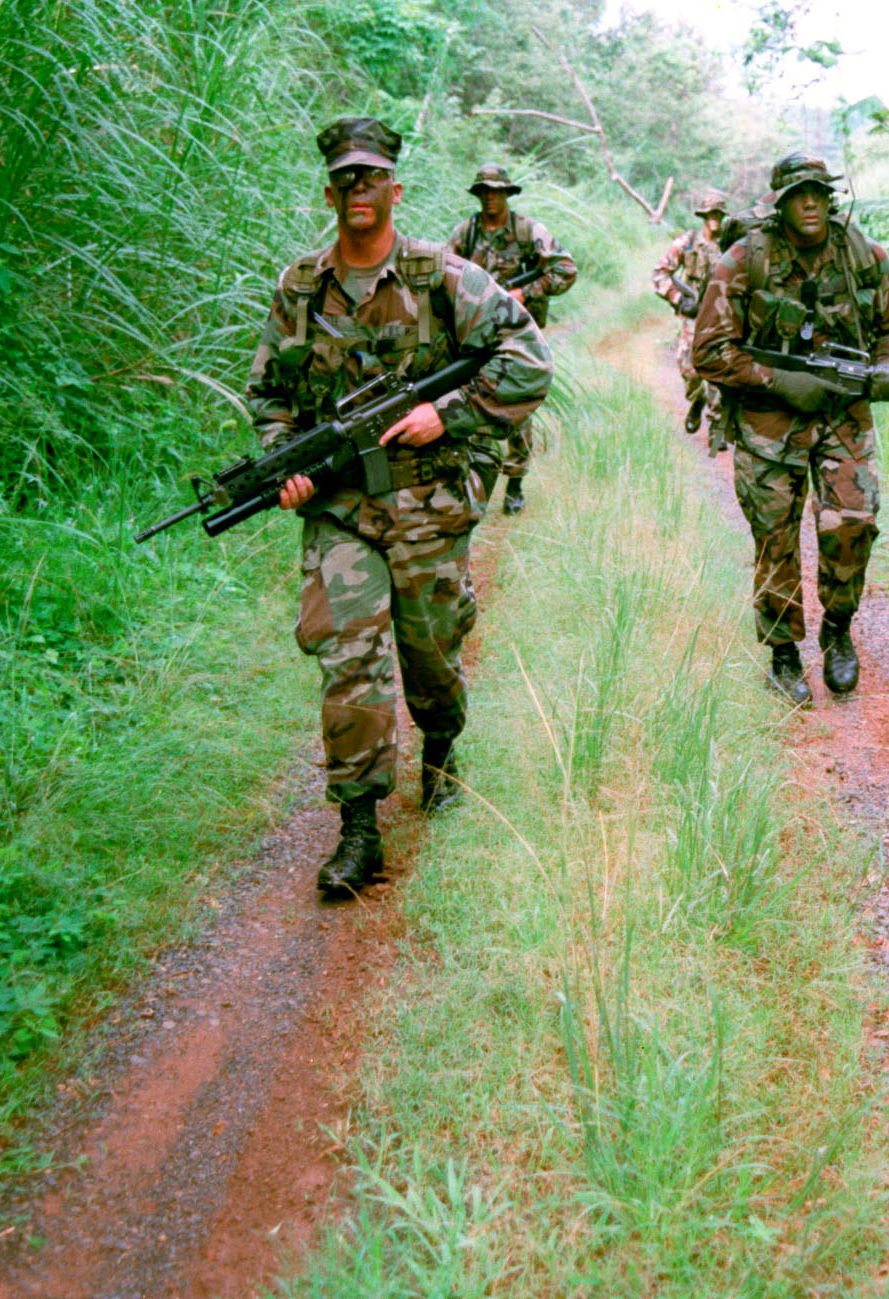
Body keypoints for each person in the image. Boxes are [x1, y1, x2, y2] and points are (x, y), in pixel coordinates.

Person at [247, 118, 553, 901]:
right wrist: (291, 462)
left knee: (432, 656)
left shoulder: (442, 277)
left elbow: (527, 360)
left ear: (395, 189)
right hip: (343, 509)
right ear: (329, 192)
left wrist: (449, 414)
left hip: (428, 501)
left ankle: (441, 751)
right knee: (349, 660)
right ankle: (358, 829)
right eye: (345, 180)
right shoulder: (299, 288)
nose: (358, 190)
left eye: (370, 178)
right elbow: (270, 397)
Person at [693, 152, 889, 705]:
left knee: (852, 525)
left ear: (831, 197)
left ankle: (837, 631)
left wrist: (886, 367)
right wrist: (778, 381)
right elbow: (709, 352)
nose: (810, 202)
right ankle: (784, 653)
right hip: (769, 424)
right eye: (798, 194)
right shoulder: (745, 260)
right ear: (780, 202)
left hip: (843, 415)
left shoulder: (862, 253)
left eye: (819, 191)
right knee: (776, 540)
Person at [448, 164, 578, 514]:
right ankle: (470, 482)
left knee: (516, 407)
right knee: (469, 401)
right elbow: (445, 277)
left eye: (497, 191)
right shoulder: (465, 234)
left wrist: (524, 291)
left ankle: (515, 483)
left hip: (518, 335)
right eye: (485, 191)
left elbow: (566, 270)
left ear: (507, 194)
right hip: (474, 334)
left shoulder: (528, 230)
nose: (491, 197)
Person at [650, 188, 730, 450]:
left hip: (722, 316)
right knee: (690, 369)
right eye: (710, 214)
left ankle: (717, 426)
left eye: (718, 213)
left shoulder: (732, 245)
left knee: (720, 371)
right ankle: (698, 400)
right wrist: (677, 297)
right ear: (703, 216)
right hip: (693, 316)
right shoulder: (687, 242)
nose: (714, 219)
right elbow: (660, 273)